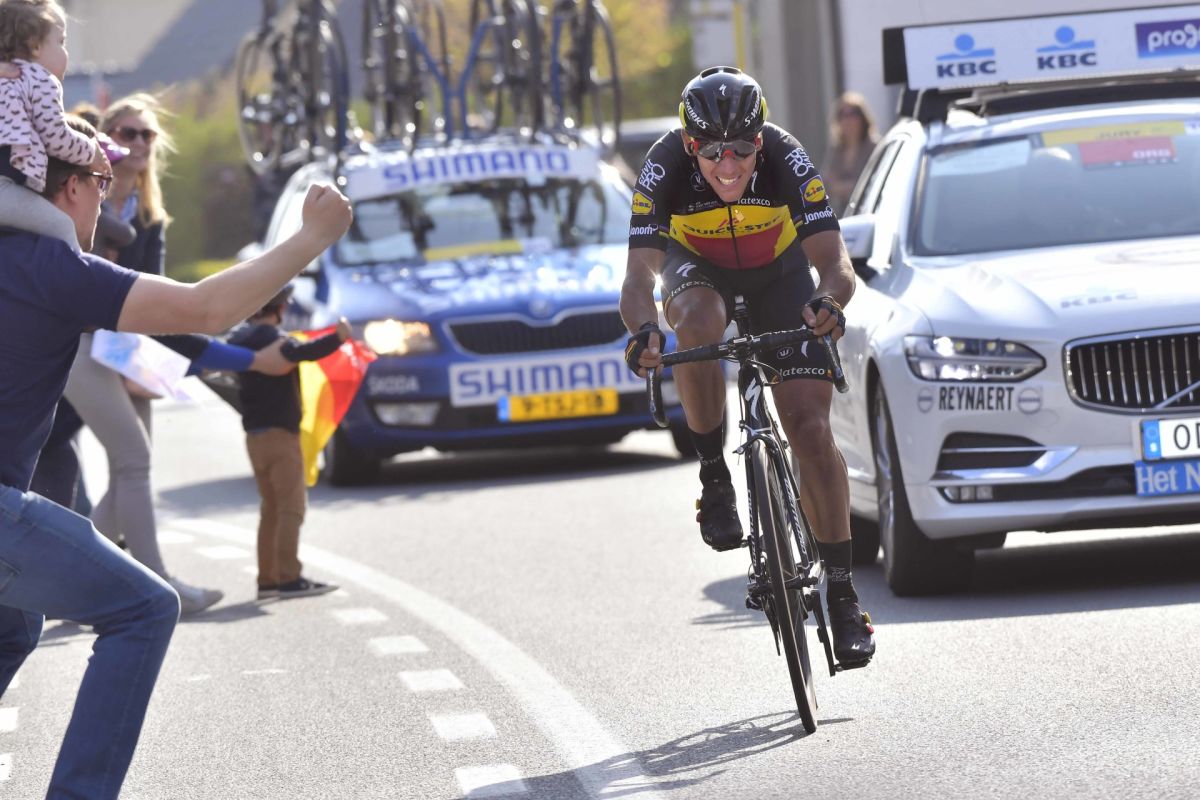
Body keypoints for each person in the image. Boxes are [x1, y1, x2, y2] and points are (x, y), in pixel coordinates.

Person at [0, 114, 351, 799]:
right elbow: (205, 308)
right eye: (103, 182)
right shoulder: (51, 269)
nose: (108, 200)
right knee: (144, 608)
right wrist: (311, 237)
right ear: (70, 189)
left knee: (14, 627)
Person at [619, 66, 874, 666]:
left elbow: (836, 265)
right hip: (696, 272)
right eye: (712, 153)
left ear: (760, 140)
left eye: (740, 149)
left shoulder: (787, 155)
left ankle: (842, 594)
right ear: (690, 147)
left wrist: (828, 301)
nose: (727, 165)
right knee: (696, 323)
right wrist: (644, 331)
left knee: (810, 430)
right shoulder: (663, 166)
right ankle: (714, 476)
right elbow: (637, 279)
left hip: (780, 277)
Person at [58, 92, 226, 613]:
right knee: (133, 460)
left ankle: (73, 585)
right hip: (81, 342)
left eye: (147, 134)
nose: (138, 143)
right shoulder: (83, 192)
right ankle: (156, 584)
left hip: (128, 347)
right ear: (106, 138)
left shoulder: (150, 214)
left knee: (133, 466)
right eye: (127, 133)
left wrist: (207, 353)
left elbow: (159, 295)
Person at [229, 290, 350, 600]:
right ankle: (289, 577)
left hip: (254, 438)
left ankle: (268, 580)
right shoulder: (277, 341)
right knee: (291, 508)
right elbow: (305, 351)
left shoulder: (238, 341)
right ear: (280, 308)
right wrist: (338, 337)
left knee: (270, 509)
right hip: (281, 436)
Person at [0, 0, 92, 249]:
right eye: (61, 42)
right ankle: (76, 274)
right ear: (35, 46)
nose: (65, 52)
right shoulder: (40, 80)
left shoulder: (7, 78)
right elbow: (56, 138)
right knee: (61, 226)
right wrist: (92, 152)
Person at [820, 91, 879, 216]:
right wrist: (849, 186)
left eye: (853, 114)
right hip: (842, 214)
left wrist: (841, 187)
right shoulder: (836, 150)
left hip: (869, 213)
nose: (848, 120)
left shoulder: (875, 147)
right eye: (843, 115)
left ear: (863, 119)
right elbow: (825, 183)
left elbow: (872, 183)